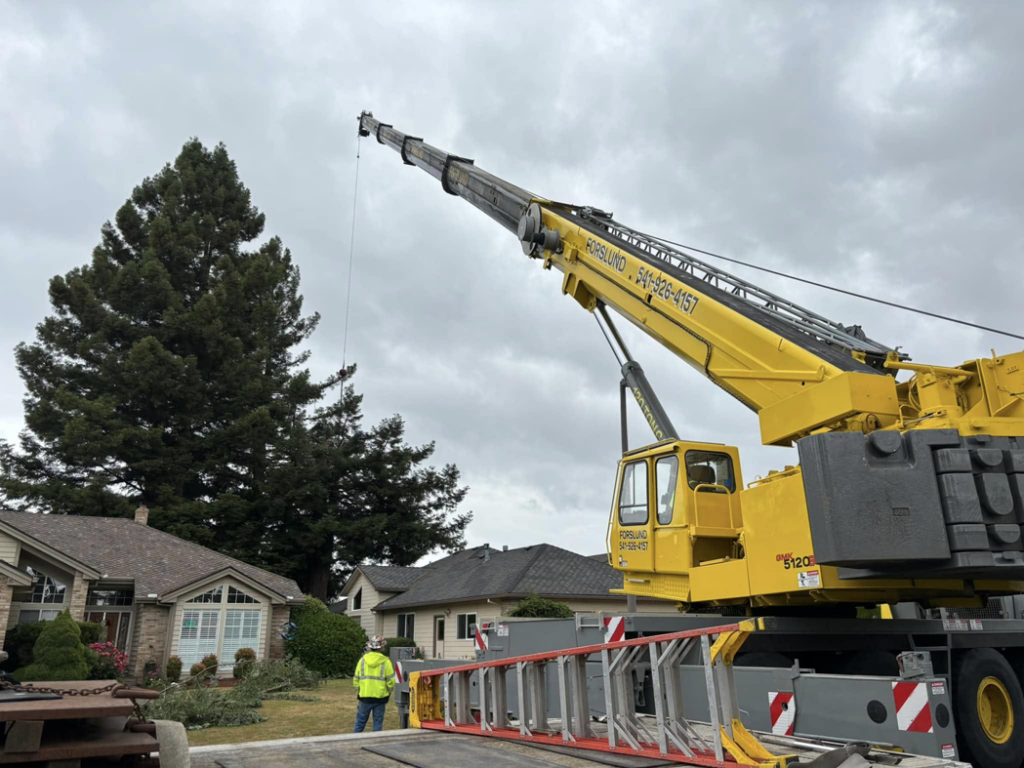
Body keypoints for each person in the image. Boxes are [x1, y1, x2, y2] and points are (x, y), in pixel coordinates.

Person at [353, 635, 396, 733]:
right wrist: (388, 693)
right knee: (378, 723)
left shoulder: (362, 660)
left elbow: (356, 679)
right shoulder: (386, 662)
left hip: (364, 697)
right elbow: (390, 681)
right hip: (380, 698)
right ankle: (376, 743)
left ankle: (353, 741)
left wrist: (359, 691)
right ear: (381, 648)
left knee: (360, 722)